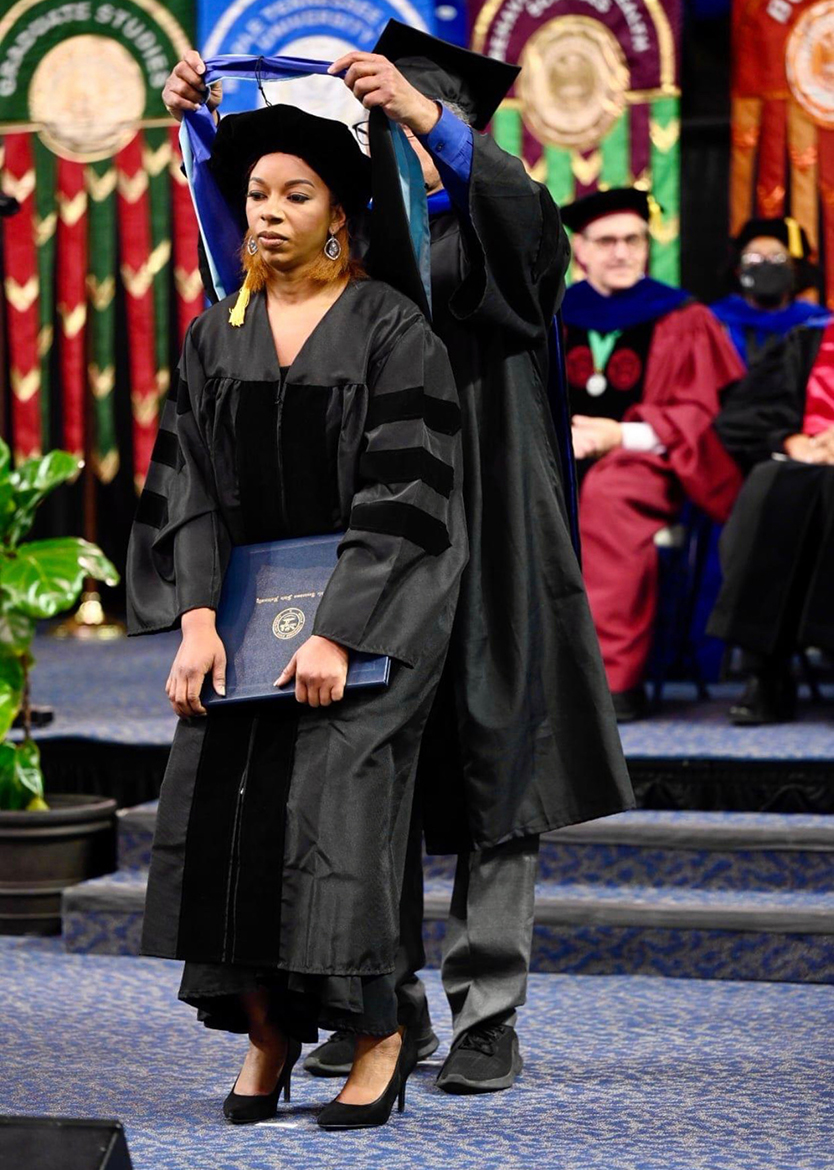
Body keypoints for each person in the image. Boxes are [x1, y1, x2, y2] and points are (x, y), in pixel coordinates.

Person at [161, 22, 633, 1097]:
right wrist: (202, 130)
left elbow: (526, 224)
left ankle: (489, 1011)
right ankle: (387, 1004)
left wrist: (432, 120)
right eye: (385, 123)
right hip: (373, 539)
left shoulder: (494, 238)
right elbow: (246, 266)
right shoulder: (353, 250)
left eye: (415, 127)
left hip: (497, 532)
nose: (399, 143)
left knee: (499, 763)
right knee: (365, 766)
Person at [126, 103, 467, 1131]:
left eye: (295, 197)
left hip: (369, 621)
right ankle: (268, 1028)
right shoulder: (216, 331)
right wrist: (194, 622)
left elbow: (408, 495)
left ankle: (377, 1033)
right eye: (255, 197)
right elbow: (184, 488)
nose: (266, 215)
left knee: (335, 813)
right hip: (238, 619)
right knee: (219, 803)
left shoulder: (393, 330)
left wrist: (337, 629)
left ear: (340, 216)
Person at [560, 188, 746, 722]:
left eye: (634, 240)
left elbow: (704, 416)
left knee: (609, 495)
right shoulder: (555, 317)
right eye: (607, 241)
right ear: (583, 251)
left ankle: (610, 682)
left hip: (650, 464)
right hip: (558, 460)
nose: (622, 252)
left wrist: (619, 437)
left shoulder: (682, 317)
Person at [709, 316, 834, 723]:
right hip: (811, 465)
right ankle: (766, 671)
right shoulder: (809, 339)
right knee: (773, 480)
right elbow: (746, 415)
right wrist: (790, 439)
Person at [711, 216, 824, 366]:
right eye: (754, 258)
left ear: (795, 268)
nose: (765, 265)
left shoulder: (817, 323)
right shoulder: (715, 322)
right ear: (738, 270)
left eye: (777, 258)